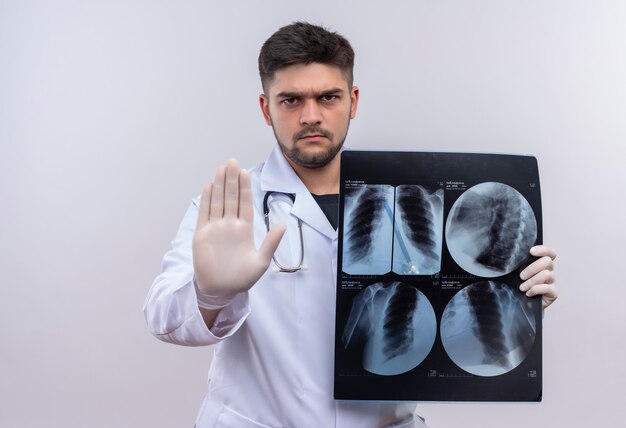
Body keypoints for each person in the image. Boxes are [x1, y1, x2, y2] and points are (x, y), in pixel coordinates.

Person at [144, 22, 558, 428]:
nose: (311, 116)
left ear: (353, 100)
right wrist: (210, 294)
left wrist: (517, 287)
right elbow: (162, 317)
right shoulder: (230, 210)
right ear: (265, 107)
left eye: (328, 97)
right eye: (290, 100)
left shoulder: (431, 198)